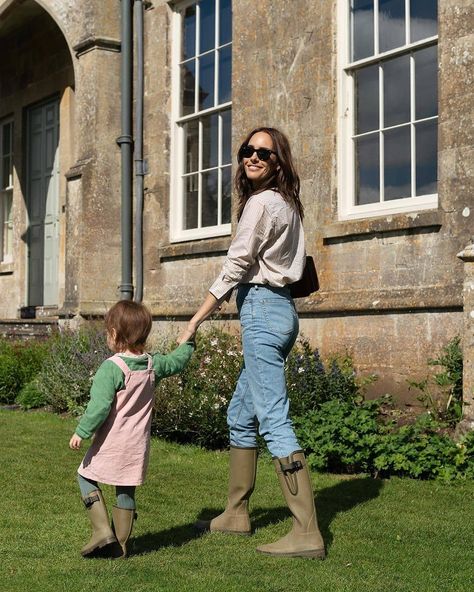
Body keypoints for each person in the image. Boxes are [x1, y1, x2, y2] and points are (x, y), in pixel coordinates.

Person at [178, 127, 325, 559]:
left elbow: (237, 264)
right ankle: (236, 513)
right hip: (279, 312)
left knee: (274, 420)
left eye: (265, 152)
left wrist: (194, 320)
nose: (253, 156)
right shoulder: (288, 205)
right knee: (241, 413)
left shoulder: (262, 203)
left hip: (262, 309)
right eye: (248, 150)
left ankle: (307, 532)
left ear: (279, 161)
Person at [69, 300, 194, 559]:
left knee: (84, 476)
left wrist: (81, 432)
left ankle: (102, 531)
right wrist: (188, 342)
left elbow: (99, 407)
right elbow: (176, 361)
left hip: (111, 442)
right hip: (137, 446)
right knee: (125, 489)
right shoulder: (152, 364)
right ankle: (122, 547)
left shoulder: (111, 368)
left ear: (114, 334)